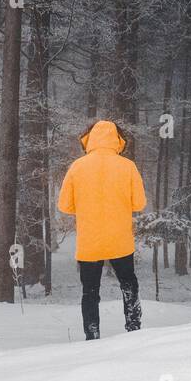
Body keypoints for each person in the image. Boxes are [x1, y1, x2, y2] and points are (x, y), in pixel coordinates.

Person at [57, 120, 147, 339]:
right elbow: (139, 204)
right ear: (117, 139)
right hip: (120, 240)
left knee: (90, 291)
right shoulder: (127, 166)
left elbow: (64, 205)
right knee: (128, 283)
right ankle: (133, 327)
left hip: (90, 242)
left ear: (89, 139)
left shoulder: (78, 167)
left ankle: (92, 334)